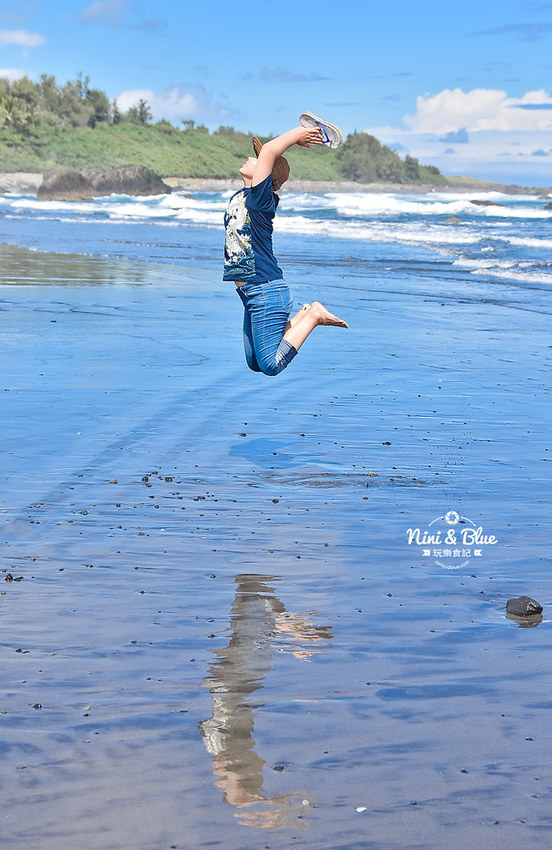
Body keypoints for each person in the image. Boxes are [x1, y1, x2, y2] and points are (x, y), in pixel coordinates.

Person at [223, 120, 348, 377]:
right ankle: (304, 314)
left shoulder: (260, 202)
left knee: (270, 365)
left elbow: (269, 151)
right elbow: (267, 153)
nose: (251, 157)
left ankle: (313, 315)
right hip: (250, 294)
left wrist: (300, 135)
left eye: (257, 158)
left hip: (266, 291)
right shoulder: (243, 197)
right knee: (254, 362)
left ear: (266, 175)